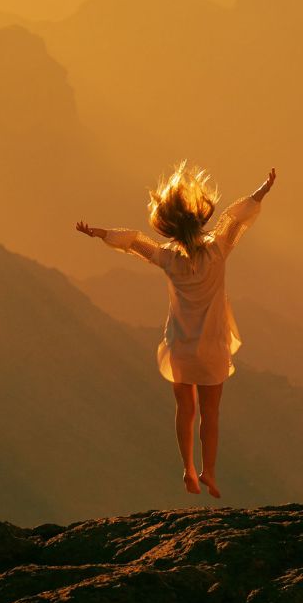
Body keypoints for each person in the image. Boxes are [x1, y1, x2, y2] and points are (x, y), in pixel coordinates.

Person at [75, 163, 275, 499]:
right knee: (211, 413)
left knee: (185, 409)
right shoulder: (218, 249)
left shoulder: (167, 257)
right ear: (199, 218)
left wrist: (99, 232)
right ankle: (208, 472)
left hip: (182, 345)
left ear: (168, 225)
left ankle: (187, 469)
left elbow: (134, 242)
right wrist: (263, 190)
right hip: (212, 346)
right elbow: (236, 217)